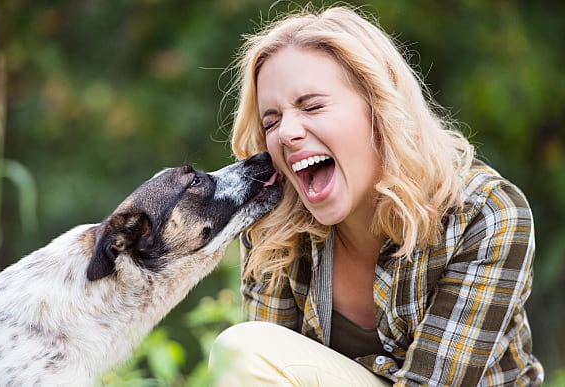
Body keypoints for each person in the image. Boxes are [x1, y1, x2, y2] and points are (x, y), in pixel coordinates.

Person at [208, 5, 544, 386]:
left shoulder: (486, 212)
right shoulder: (275, 224)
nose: (286, 133)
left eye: (312, 106)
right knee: (244, 351)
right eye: (272, 121)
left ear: (380, 106)